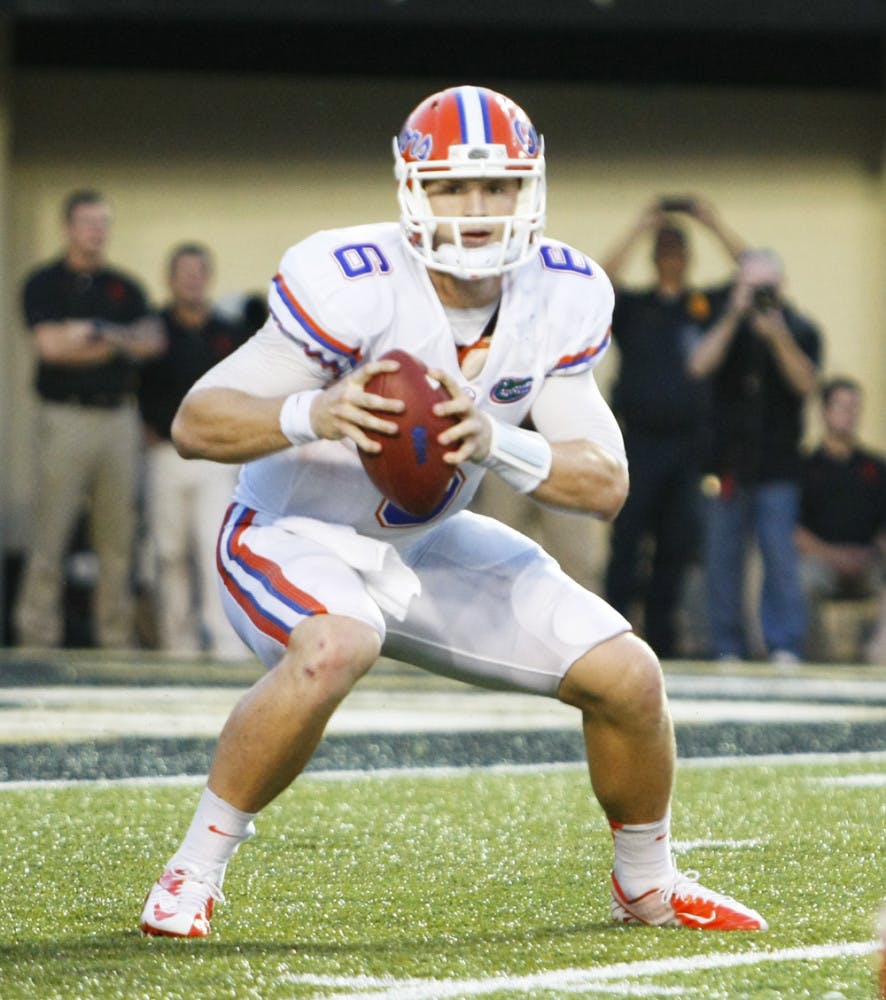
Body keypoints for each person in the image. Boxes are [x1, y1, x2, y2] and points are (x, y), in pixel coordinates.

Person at [139, 85, 766, 937]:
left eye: (498, 186)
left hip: (424, 538)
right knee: (339, 640)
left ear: (530, 190)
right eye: (452, 187)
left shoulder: (563, 291)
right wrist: (312, 413)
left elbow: (605, 481)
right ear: (412, 190)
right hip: (291, 531)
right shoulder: (351, 281)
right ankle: (193, 869)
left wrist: (495, 443)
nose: (477, 209)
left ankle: (646, 883)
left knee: (630, 676)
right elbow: (195, 422)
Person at [14, 189, 165, 649]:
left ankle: (114, 640)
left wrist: (95, 332)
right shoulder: (44, 283)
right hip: (65, 419)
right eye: (87, 223)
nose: (96, 231)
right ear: (68, 228)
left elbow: (152, 343)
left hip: (119, 420)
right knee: (51, 535)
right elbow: (52, 349)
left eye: (103, 223)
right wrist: (120, 339)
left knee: (117, 541)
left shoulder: (125, 286)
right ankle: (36, 638)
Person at [601, 197, 746, 657]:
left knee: (675, 544)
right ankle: (614, 634)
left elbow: (755, 274)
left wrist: (713, 222)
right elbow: (598, 285)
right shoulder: (636, 306)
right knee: (627, 542)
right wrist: (640, 226)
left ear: (686, 257)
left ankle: (662, 642)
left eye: (677, 249)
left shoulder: (702, 306)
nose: (670, 257)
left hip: (688, 446)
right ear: (654, 256)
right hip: (639, 442)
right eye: (662, 249)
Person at [687, 248, 822, 663]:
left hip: (778, 465)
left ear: (781, 287)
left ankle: (784, 645)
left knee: (780, 560)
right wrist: (732, 316)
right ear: (738, 285)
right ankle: (726, 646)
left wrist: (776, 334)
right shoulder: (721, 322)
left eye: (767, 286)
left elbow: (806, 385)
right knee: (722, 559)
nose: (761, 294)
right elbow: (697, 366)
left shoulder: (800, 328)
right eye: (752, 286)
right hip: (725, 464)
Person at [137, 243, 252, 658]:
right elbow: (134, 388)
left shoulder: (229, 332)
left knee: (214, 548)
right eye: (184, 271)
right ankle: (177, 643)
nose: (192, 278)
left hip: (215, 458)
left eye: (199, 271)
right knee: (168, 552)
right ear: (170, 278)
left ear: (208, 277)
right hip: (165, 456)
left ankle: (224, 642)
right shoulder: (152, 332)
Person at [795, 377, 886, 663]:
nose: (849, 414)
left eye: (855, 407)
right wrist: (834, 556)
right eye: (842, 406)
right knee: (798, 579)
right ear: (825, 412)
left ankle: (879, 652)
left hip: (868, 563)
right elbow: (793, 531)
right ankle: (813, 658)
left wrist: (870, 552)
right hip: (821, 562)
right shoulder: (805, 468)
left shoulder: (876, 467)